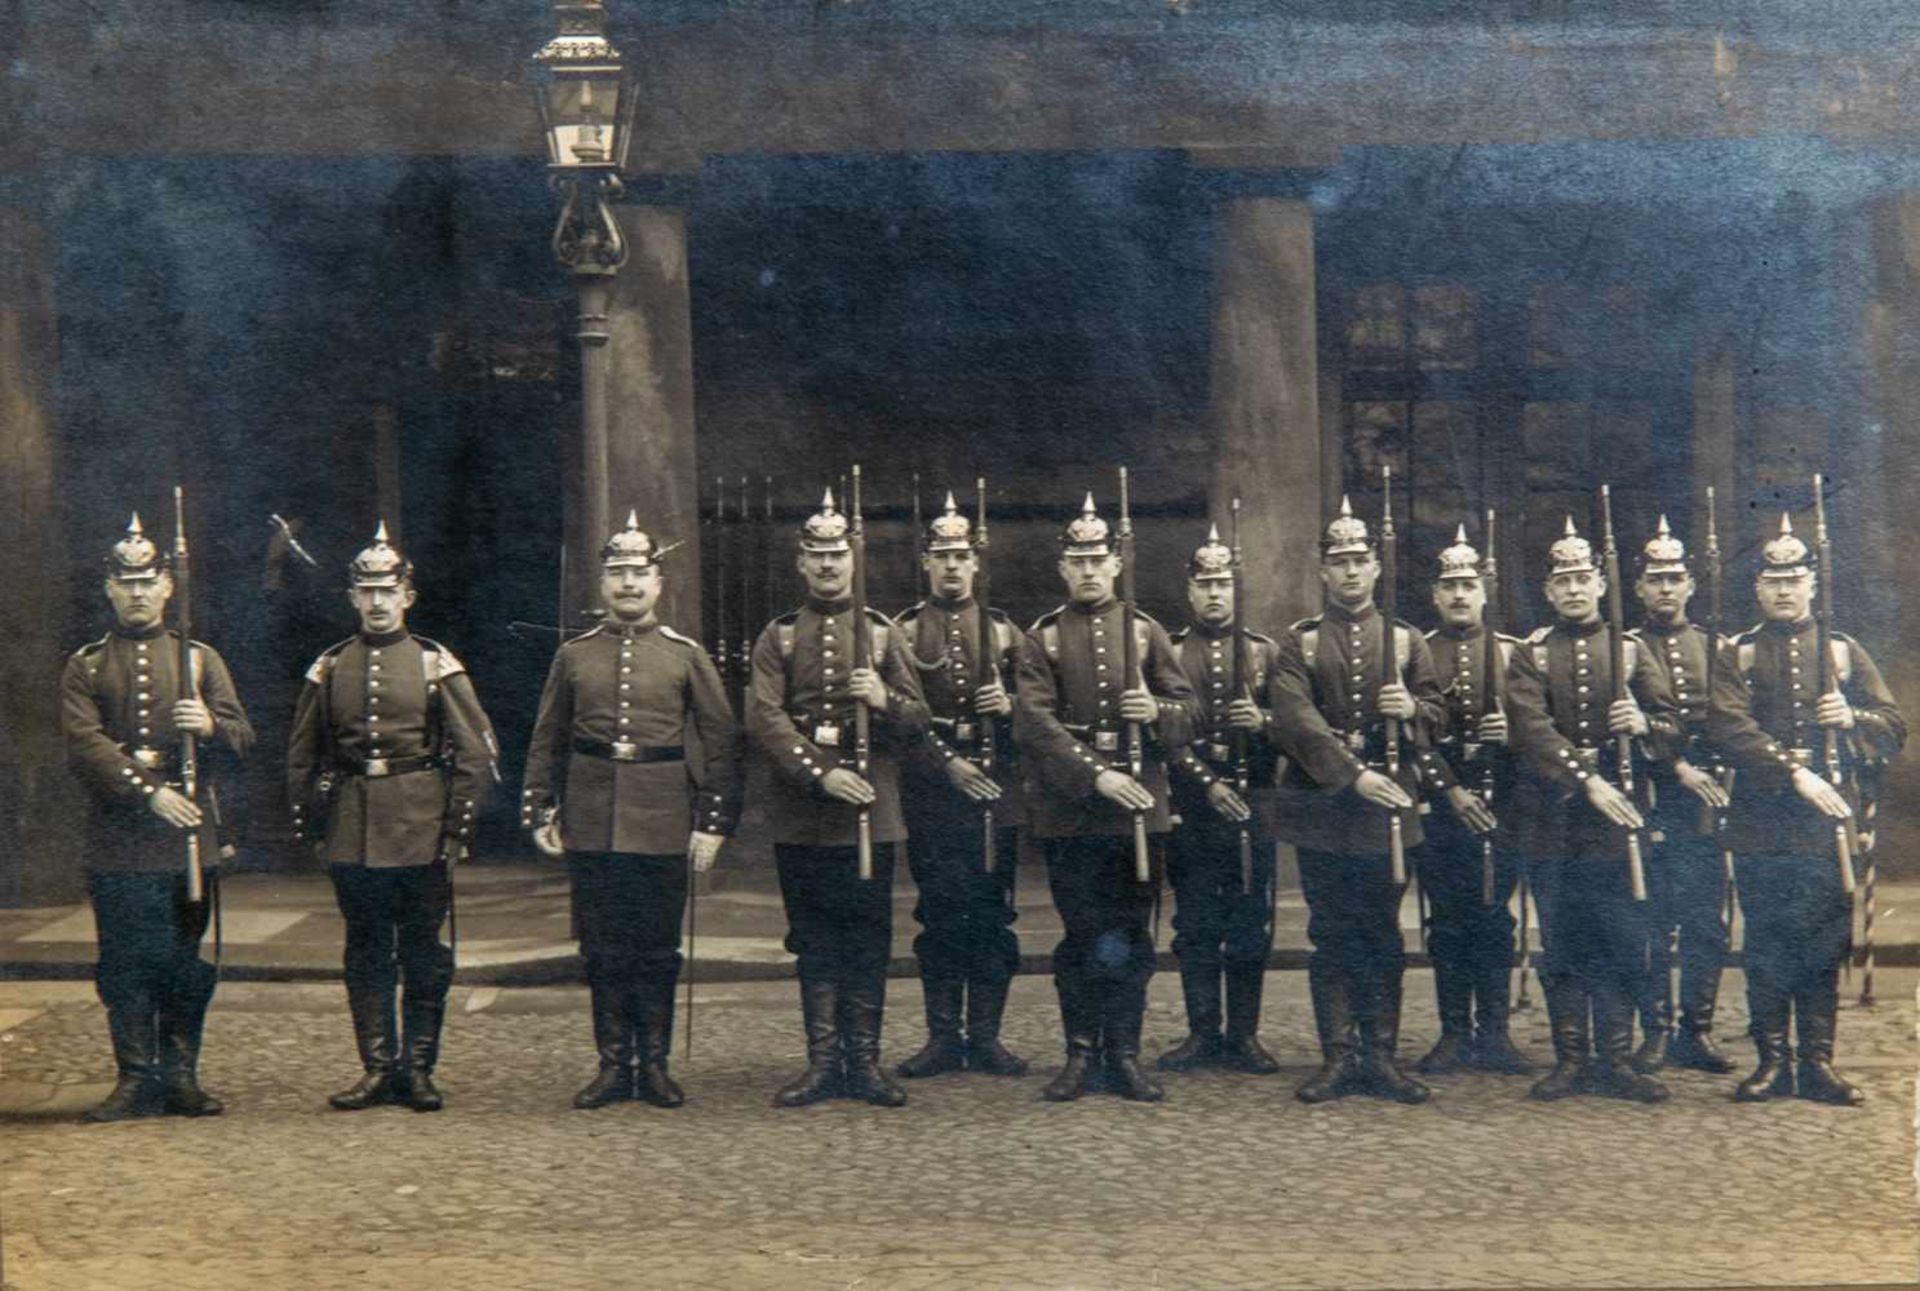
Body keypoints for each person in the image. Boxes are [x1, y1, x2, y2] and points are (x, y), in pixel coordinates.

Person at [523, 512, 740, 1109]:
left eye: (638, 574)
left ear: (658, 583)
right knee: (601, 947)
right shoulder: (573, 657)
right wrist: (541, 807)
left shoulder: (685, 656)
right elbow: (548, 736)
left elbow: (721, 742)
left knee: (657, 947)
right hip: (592, 818)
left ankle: (656, 1064)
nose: (627, 585)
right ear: (602, 584)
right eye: (616, 574)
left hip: (664, 816)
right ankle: (614, 1064)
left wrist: (712, 824)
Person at [288, 522, 498, 1113]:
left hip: (421, 828)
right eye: (367, 592)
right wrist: (312, 826)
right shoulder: (329, 667)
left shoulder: (435, 664)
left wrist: (456, 828)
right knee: (365, 948)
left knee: (424, 952)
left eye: (389, 591)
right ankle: (378, 1067)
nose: (378, 602)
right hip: (352, 828)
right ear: (353, 598)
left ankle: (420, 1069)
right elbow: (303, 753)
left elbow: (475, 752)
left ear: (408, 596)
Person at [62, 513, 253, 1121]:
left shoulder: (199, 662)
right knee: (123, 960)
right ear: (109, 590)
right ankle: (134, 1077)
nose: (138, 592)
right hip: (121, 838)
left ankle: (181, 1076)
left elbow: (246, 738)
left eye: (148, 581)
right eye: (126, 582)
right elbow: (85, 746)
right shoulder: (86, 666)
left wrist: (212, 727)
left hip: (189, 838)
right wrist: (148, 793)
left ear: (168, 586)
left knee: (182, 958)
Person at [1709, 514, 1904, 1106]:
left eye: (1795, 579)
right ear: (1758, 590)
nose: (1784, 590)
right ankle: (1771, 1060)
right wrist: (1792, 770)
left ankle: (1817, 1061)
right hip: (1762, 819)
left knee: (1822, 943)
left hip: (1825, 825)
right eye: (1773, 581)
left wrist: (1852, 719)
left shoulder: (1843, 652)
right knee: (1767, 940)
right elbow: (1727, 726)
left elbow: (1893, 725)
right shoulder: (1737, 654)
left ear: (1813, 586)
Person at [745, 489, 931, 1107]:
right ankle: (823, 1062)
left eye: (837, 555)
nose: (828, 566)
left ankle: (866, 1062)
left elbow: (920, 718)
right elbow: (765, 718)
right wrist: (819, 772)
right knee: (813, 936)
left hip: (870, 816)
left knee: (868, 935)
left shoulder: (880, 637)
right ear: (801, 563)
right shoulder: (780, 638)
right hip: (804, 813)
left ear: (853, 561)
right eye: (816, 556)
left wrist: (883, 699)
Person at [1269, 497, 1454, 1105]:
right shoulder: (1299, 643)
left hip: (1388, 811)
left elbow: (1439, 713)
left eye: (1359, 560)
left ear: (1377, 568)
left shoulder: (1404, 642)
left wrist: (1414, 711)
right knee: (1331, 930)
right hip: (1324, 809)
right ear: (1323, 572)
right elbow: (1295, 719)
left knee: (1381, 931)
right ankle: (1337, 1056)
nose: (1349, 572)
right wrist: (1352, 775)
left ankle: (1381, 1056)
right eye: (1338, 561)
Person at [1012, 493, 1196, 1103]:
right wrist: (1097, 776)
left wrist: (1158, 710)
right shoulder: (1044, 639)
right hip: (1073, 813)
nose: (1088, 571)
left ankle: (1124, 1053)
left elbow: (1189, 711)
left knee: (1132, 934)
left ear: (1116, 565)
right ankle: (1080, 1053)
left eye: (1098, 560)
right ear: (1062, 569)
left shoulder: (1146, 633)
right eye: (1077, 561)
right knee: (1081, 933)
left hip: (1140, 811)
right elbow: (1034, 723)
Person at [1504, 517, 1677, 1104]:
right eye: (1563, 581)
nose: (1574, 590)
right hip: (1554, 822)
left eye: (1584, 578)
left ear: (1601, 585)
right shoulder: (1531, 654)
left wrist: (1647, 724)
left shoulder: (1629, 652)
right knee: (1563, 940)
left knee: (1623, 938)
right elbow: (1530, 729)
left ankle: (1618, 1060)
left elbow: (1677, 727)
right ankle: (1571, 1058)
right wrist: (1587, 781)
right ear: (1549, 592)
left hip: (1619, 826)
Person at [891, 493, 1029, 1080]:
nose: (951, 566)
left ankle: (987, 1036)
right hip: (933, 789)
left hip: (997, 789)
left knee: (992, 914)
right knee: (940, 913)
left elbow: (1045, 716)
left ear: (977, 564)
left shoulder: (1005, 633)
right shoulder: (901, 633)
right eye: (941, 555)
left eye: (961, 555)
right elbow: (898, 720)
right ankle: (943, 1037)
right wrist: (946, 764)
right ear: (925, 562)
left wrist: (1013, 706)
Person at [1156, 525, 1283, 1076]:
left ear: (1238, 591)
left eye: (1224, 584)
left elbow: (1298, 727)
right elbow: (1162, 733)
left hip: (1253, 805)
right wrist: (1205, 781)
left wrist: (1265, 722)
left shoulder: (1263, 654)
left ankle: (1245, 1035)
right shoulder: (1170, 653)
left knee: (1251, 921)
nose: (1214, 594)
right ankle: (1202, 1032)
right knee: (1196, 923)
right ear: (1189, 592)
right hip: (1192, 806)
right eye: (1204, 584)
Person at [1412, 526, 1530, 1076]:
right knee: (1448, 919)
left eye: (1469, 584)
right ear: (1435, 596)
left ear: (1486, 592)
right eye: (1449, 586)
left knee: (1494, 918)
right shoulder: (1417, 653)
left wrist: (1514, 737)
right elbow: (1409, 739)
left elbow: (1542, 729)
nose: (1460, 595)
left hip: (1502, 805)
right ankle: (1454, 1032)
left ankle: (1497, 1034)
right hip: (1440, 807)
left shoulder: (1514, 654)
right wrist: (1446, 788)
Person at [1627, 517, 1735, 1076]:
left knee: (1705, 921)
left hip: (1706, 803)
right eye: (1654, 579)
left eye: (1674, 577)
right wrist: (1671, 762)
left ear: (1691, 584)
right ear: (1639, 587)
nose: (1665, 588)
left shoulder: (1719, 647)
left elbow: (1736, 720)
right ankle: (1657, 1030)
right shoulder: (1623, 649)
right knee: (1650, 918)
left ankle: (1697, 1029)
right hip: (1648, 799)